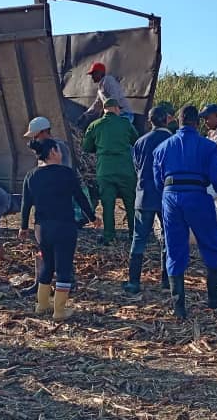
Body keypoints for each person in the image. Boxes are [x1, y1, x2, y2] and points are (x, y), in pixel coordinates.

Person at [153, 105, 217, 319]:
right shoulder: (207, 146)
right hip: (197, 197)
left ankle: (179, 307)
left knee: (175, 248)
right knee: (211, 244)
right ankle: (214, 298)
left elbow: (157, 181)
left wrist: (167, 197)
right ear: (196, 122)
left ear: (177, 122)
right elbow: (215, 175)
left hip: (171, 198)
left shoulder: (162, 148)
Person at [18, 139, 98, 321]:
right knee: (63, 268)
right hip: (64, 226)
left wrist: (23, 227)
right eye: (59, 151)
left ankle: (42, 304)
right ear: (53, 152)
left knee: (48, 264)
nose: (61, 154)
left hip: (42, 229)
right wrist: (93, 218)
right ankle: (59, 310)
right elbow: (80, 198)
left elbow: (26, 205)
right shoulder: (66, 174)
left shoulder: (31, 175)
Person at [123, 105, 173, 294]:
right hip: (165, 196)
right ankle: (167, 281)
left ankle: (134, 281)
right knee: (168, 239)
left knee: (139, 239)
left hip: (143, 196)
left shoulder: (140, 142)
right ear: (167, 119)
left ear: (150, 121)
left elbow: (136, 167)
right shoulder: (172, 141)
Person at [82, 98, 139, 245]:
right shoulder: (125, 124)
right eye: (119, 109)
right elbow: (136, 141)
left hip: (105, 171)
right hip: (125, 169)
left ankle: (109, 236)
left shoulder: (95, 125)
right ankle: (134, 235)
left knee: (108, 204)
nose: (120, 111)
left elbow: (86, 147)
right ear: (114, 108)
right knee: (131, 203)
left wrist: (101, 148)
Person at [83, 62, 144, 131]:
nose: (92, 76)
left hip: (123, 115)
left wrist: (109, 110)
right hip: (116, 116)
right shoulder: (100, 88)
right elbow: (97, 105)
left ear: (100, 72)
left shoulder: (108, 80)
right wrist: (86, 114)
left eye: (93, 73)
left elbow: (114, 97)